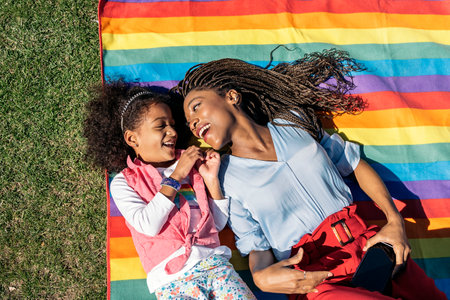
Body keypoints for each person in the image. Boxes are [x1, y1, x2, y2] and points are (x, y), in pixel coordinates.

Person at [173, 49, 446, 299]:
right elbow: (254, 244)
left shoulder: (293, 122)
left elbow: (353, 164)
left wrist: (394, 220)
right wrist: (261, 278)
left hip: (372, 250)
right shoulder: (224, 176)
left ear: (231, 97)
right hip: (314, 278)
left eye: (196, 107)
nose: (194, 122)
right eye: (189, 122)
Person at [83, 81, 256, 299]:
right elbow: (148, 225)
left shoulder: (191, 165)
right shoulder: (124, 182)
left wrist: (211, 180)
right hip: (172, 281)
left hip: (217, 268)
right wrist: (176, 176)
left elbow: (217, 225)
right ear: (132, 138)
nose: (172, 131)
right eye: (160, 126)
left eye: (172, 124)